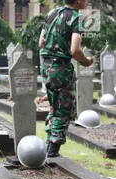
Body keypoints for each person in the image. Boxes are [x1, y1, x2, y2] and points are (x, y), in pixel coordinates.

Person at [39, 0, 95, 157]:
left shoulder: (51, 14)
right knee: (64, 108)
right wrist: (87, 62)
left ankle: (49, 145)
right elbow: (75, 50)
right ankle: (52, 151)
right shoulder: (77, 17)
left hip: (46, 67)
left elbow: (40, 43)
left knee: (54, 106)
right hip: (62, 67)